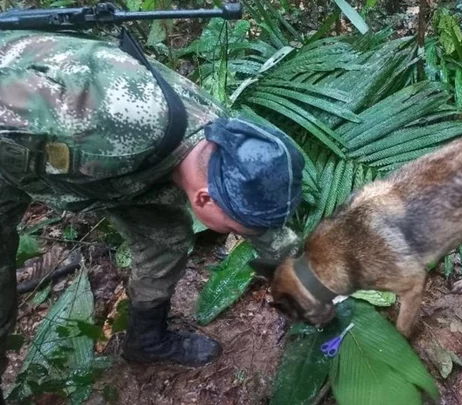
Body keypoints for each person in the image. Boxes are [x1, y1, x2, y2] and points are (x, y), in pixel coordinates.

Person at [0, 29, 304, 402]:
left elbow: (260, 222)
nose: (242, 234)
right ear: (205, 199)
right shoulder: (101, 130)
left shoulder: (222, 142)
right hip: (14, 140)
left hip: (105, 166)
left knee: (166, 239)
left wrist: (310, 279)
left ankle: (146, 339)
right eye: (235, 231)